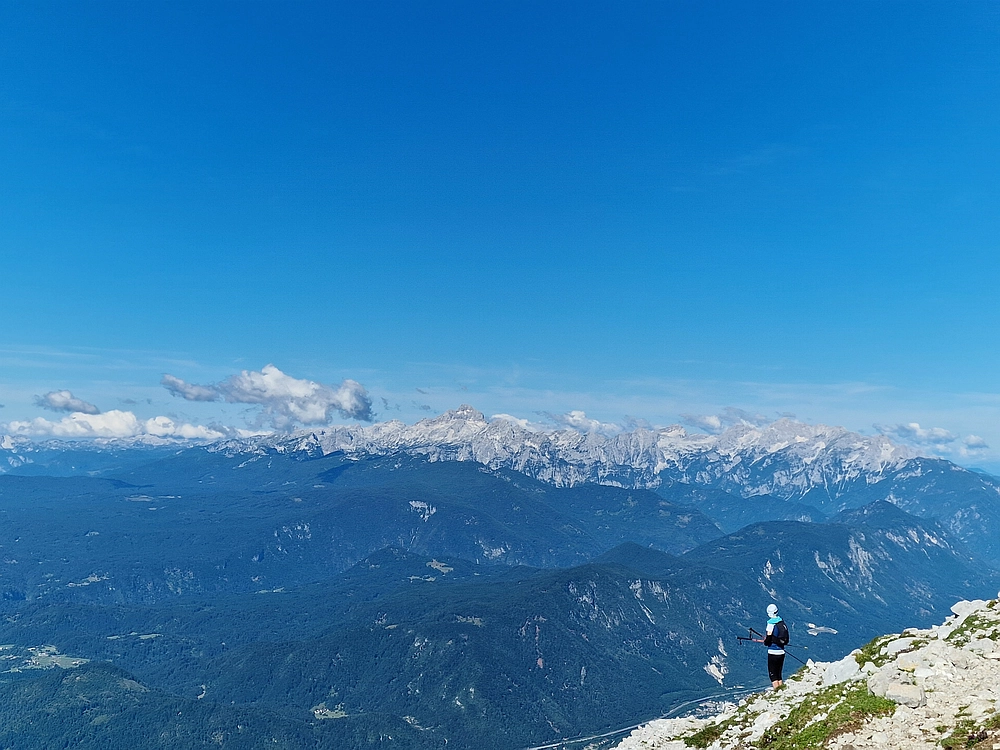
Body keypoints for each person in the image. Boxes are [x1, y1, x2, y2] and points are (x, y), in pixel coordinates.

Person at [763, 603, 788, 689]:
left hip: (773, 652)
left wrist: (765, 642)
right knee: (779, 674)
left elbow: (768, 638)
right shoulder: (781, 622)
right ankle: (781, 690)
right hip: (782, 652)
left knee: (773, 675)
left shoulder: (770, 623)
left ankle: (777, 692)